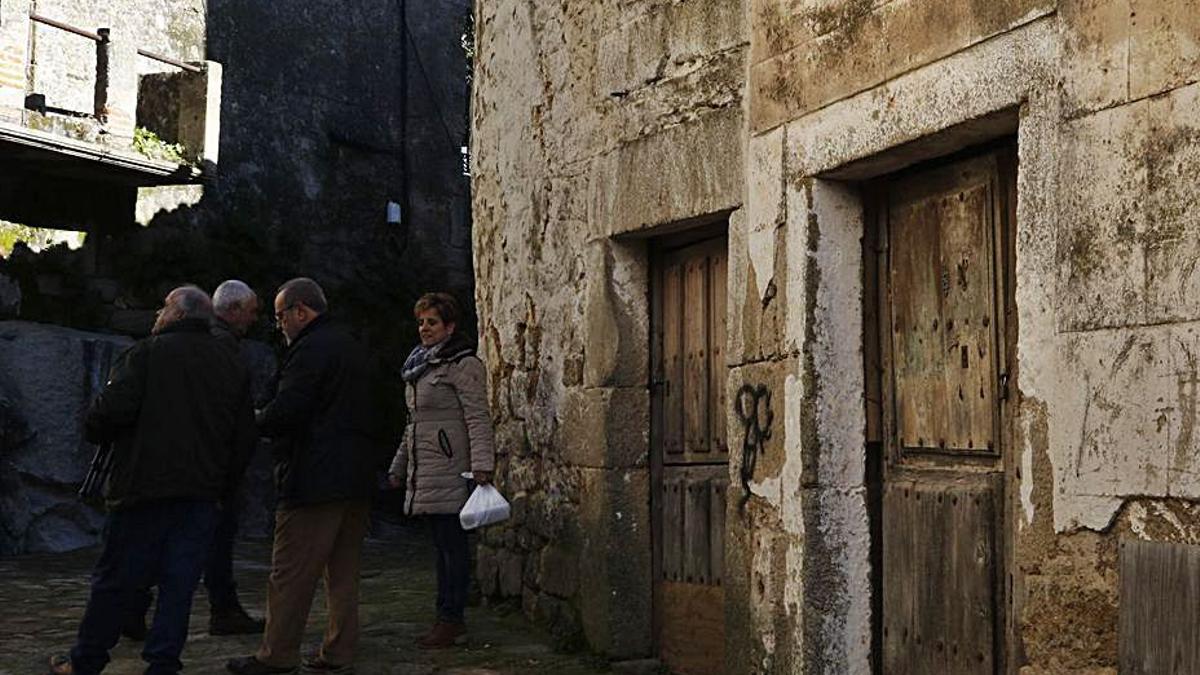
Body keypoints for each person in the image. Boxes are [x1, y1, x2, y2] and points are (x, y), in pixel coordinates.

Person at [49, 286, 256, 675]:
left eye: (163, 306)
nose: (158, 313)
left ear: (177, 314)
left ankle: (87, 659)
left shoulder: (145, 355)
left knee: (114, 579)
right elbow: (243, 436)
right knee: (179, 584)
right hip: (200, 493)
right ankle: (163, 663)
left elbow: (103, 418)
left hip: (141, 488)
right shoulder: (230, 363)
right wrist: (220, 487)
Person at [227, 278, 378, 675]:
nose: (279, 326)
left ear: (300, 311)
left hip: (314, 478)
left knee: (291, 572)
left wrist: (255, 420)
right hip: (356, 477)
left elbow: (288, 409)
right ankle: (340, 649)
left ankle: (276, 655)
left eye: (281, 317)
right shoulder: (352, 345)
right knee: (343, 572)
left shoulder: (310, 350)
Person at [122, 280, 267, 642]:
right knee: (200, 543)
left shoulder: (179, 348)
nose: (254, 320)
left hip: (180, 464)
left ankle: (139, 612)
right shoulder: (219, 350)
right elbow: (232, 421)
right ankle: (203, 613)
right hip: (203, 467)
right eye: (250, 312)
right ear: (231, 310)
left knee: (172, 543)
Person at [387, 292, 495, 649]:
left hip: (452, 470)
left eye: (432, 322)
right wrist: (398, 466)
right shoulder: (421, 366)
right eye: (421, 322)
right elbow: (415, 423)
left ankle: (452, 619)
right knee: (440, 547)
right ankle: (444, 615)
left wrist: (481, 465)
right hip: (426, 470)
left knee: (453, 547)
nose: (424, 329)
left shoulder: (463, 365)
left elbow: (478, 416)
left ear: (449, 326)